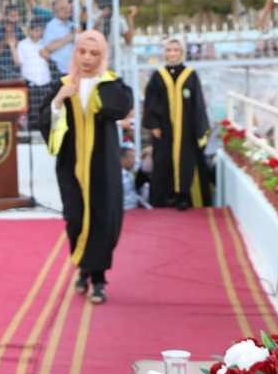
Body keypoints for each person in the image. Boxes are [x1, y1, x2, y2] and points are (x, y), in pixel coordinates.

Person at [39, 30, 133, 305]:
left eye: (94, 53)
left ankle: (99, 280)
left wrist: (99, 91)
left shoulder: (110, 83)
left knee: (103, 218)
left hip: (103, 166)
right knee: (76, 218)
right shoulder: (63, 84)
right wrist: (59, 99)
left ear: (102, 55)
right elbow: (44, 121)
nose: (87, 58)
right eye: (82, 52)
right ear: (75, 53)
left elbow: (121, 107)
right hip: (71, 165)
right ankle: (83, 267)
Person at [142, 37, 212, 210]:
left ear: (182, 53)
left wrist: (200, 130)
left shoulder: (190, 75)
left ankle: (183, 197)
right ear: (164, 53)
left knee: (185, 162)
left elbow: (198, 103)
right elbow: (151, 102)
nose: (172, 54)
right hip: (163, 129)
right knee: (163, 162)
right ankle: (163, 199)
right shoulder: (158, 75)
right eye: (169, 50)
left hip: (186, 130)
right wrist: (153, 124)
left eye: (176, 50)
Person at [42, 0, 78, 77]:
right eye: (62, 8)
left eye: (66, 8)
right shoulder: (51, 26)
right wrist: (68, 38)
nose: (65, 10)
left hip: (74, 69)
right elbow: (48, 47)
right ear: (55, 11)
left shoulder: (73, 24)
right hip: (60, 71)